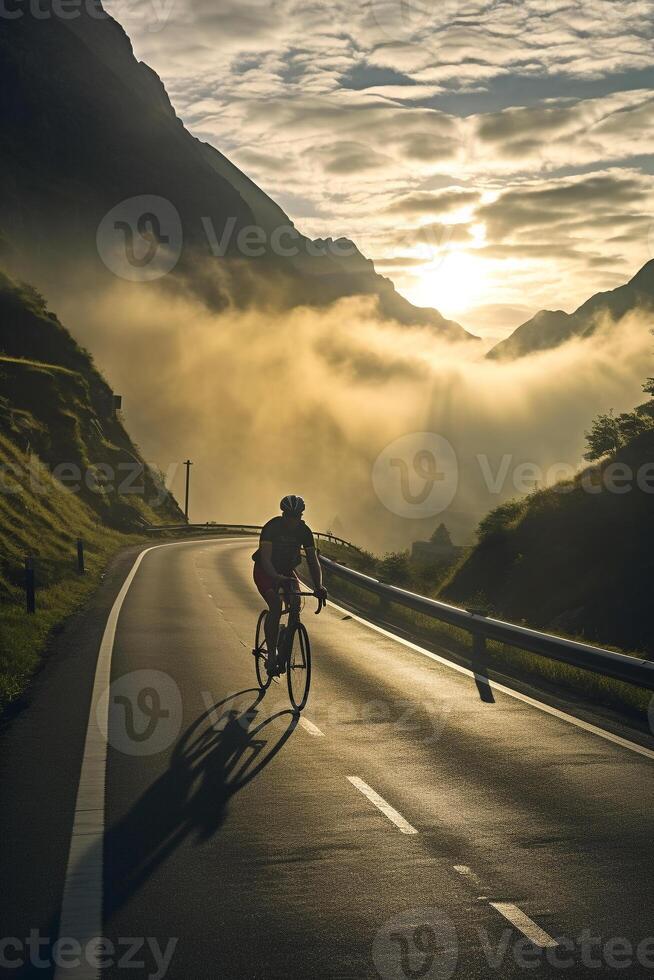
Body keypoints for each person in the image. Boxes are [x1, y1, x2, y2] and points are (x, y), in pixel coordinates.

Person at [252, 495, 328, 673]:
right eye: (289, 516)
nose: (293, 521)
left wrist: (319, 586)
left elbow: (312, 561)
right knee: (276, 605)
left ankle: (285, 635)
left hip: (287, 571)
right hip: (265, 571)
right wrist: (275, 577)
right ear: (283, 514)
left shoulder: (304, 531)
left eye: (297, 517)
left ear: (301, 516)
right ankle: (271, 656)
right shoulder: (272, 527)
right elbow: (265, 559)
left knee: (295, 603)